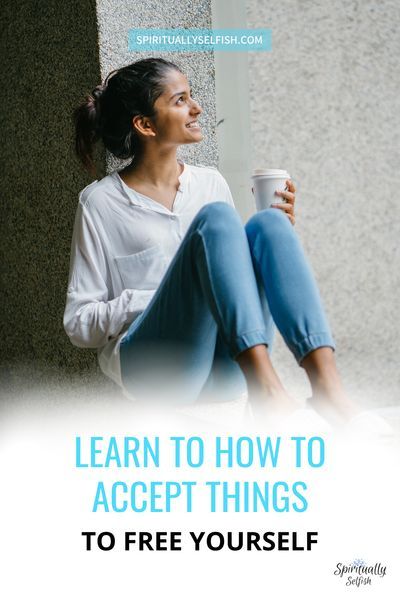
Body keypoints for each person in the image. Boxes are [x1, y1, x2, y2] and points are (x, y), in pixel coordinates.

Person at [64, 57, 358, 423]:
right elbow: (78, 324)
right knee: (217, 220)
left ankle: (328, 389)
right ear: (144, 124)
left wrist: (270, 252)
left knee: (270, 225)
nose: (196, 108)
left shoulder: (210, 183)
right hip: (157, 368)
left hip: (225, 365)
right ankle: (266, 390)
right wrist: (157, 299)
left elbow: (231, 282)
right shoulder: (101, 202)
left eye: (191, 96)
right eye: (180, 100)